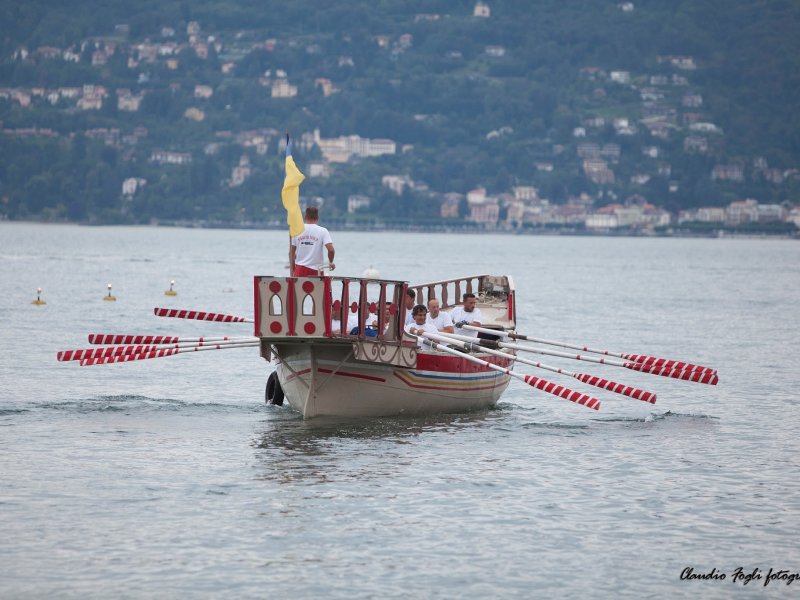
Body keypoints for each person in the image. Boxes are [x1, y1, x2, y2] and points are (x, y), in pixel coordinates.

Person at [290, 207, 335, 277]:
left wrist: (293, 268)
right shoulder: (323, 231)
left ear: (305, 216)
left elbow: (291, 253)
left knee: (298, 288)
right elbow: (331, 250)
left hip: (300, 269)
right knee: (318, 288)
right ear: (317, 217)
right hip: (317, 270)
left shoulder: (297, 230)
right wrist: (331, 262)